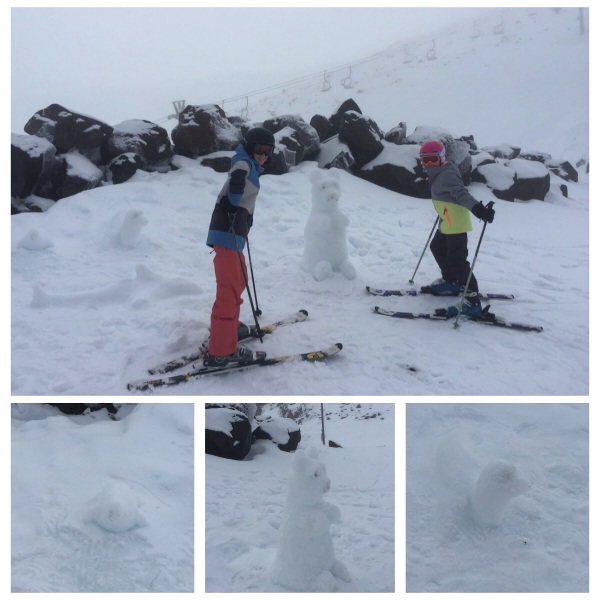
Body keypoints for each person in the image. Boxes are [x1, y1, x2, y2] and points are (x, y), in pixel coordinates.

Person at [204, 126, 275, 367]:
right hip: (227, 232)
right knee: (228, 289)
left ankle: (229, 328)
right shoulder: (244, 163)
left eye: (268, 151)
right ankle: (222, 350)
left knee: (237, 280)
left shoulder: (251, 165)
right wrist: (234, 204)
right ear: (249, 146)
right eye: (260, 149)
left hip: (233, 234)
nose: (264, 154)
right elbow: (236, 180)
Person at [419, 140, 495, 317]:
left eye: (433, 160)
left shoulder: (447, 174)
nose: (429, 164)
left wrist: (478, 209)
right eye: (426, 160)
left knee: (458, 261)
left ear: (442, 158)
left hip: (456, 224)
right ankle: (451, 281)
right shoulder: (437, 171)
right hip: (447, 220)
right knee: (437, 247)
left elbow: (461, 194)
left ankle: (473, 302)